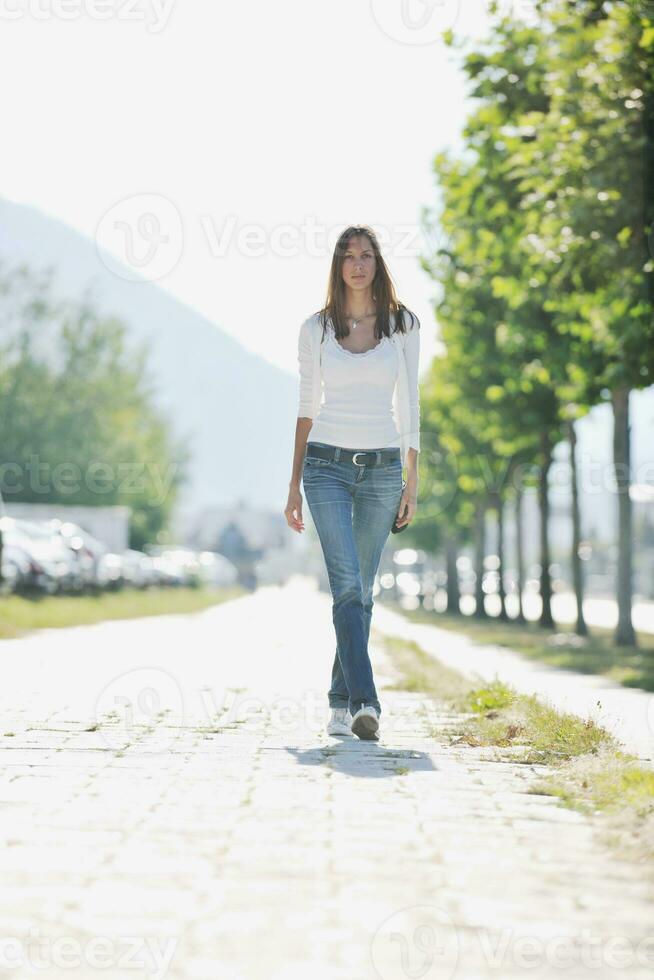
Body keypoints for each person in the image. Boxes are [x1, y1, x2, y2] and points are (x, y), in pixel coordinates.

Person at [284, 224, 420, 741]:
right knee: (346, 586)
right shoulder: (315, 329)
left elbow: (411, 404)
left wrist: (412, 478)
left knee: (361, 591)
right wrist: (293, 483)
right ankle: (367, 702)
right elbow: (305, 407)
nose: (358, 264)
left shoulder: (402, 324)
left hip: (385, 468)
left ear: (378, 263)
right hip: (325, 468)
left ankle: (340, 701)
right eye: (349, 256)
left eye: (367, 255)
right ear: (338, 266)